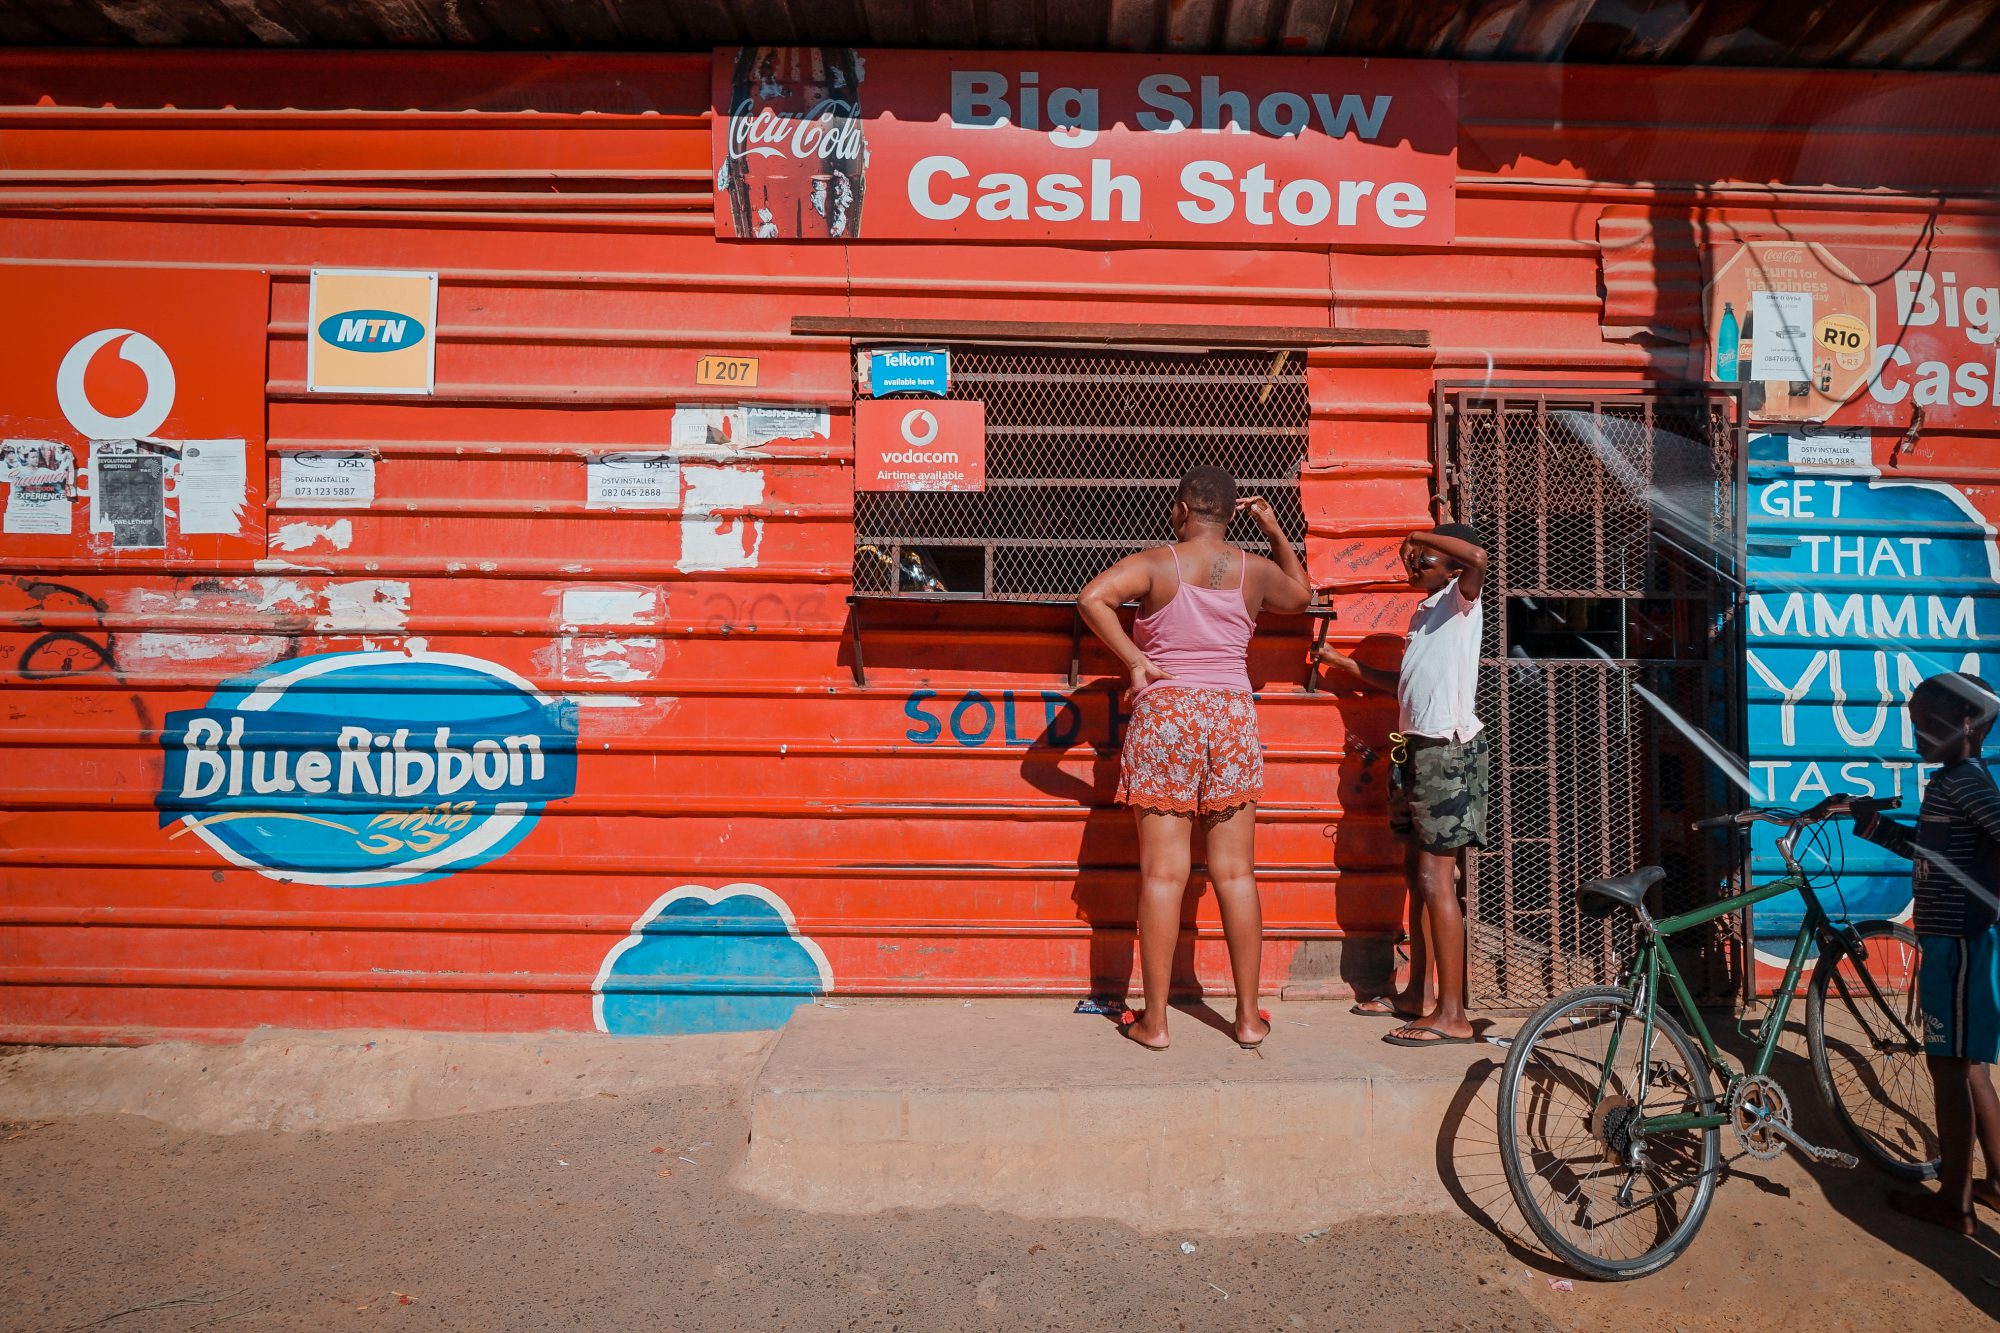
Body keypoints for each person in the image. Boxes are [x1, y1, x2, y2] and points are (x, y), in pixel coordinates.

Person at [1077, 466, 1314, 1051]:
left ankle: (1155, 1024)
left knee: (1164, 874)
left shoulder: (1157, 563)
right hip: (1231, 718)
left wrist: (1135, 659)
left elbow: (1092, 598)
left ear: (1180, 509)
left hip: (1167, 715)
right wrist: (1275, 529)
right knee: (1235, 873)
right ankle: (1248, 1020)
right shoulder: (1254, 571)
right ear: (1232, 514)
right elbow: (1301, 596)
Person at [1317, 524, 1489, 1047]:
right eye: (1409, 558)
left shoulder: (1462, 599)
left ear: (1451, 567)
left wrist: (1421, 532)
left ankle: (1453, 1015)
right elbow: (1411, 683)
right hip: (1415, 748)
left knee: (1439, 880)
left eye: (1422, 559)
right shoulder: (1425, 610)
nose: (1410, 565)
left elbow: (1479, 556)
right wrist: (1350, 666)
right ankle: (1418, 993)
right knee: (1417, 876)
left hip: (1447, 751)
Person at [1850, 671, 2000, 1235]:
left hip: (1957, 945)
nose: (1915, 735)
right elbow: (1933, 854)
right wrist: (1875, 828)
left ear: (1966, 724)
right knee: (1973, 1068)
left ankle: (1954, 1205)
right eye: (1912, 723)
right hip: (1960, 941)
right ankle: (1995, 1185)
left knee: (1948, 1070)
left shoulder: (1965, 783)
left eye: (1926, 725)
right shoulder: (1954, 781)